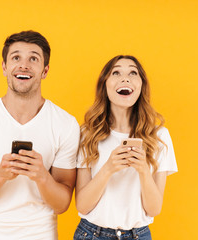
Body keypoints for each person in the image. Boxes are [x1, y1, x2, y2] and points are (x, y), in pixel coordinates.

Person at [0, 30, 80, 240]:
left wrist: (42, 176)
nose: (24, 65)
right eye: (16, 58)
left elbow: (62, 205)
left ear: (45, 70)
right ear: (5, 68)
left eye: (33, 58)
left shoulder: (65, 124)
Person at [74, 55, 178, 240]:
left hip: (139, 235)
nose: (125, 78)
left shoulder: (159, 137)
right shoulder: (87, 134)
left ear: (141, 85)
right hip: (91, 234)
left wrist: (144, 171)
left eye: (132, 72)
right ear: (104, 85)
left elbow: (154, 209)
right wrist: (108, 168)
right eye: (116, 72)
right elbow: (82, 205)